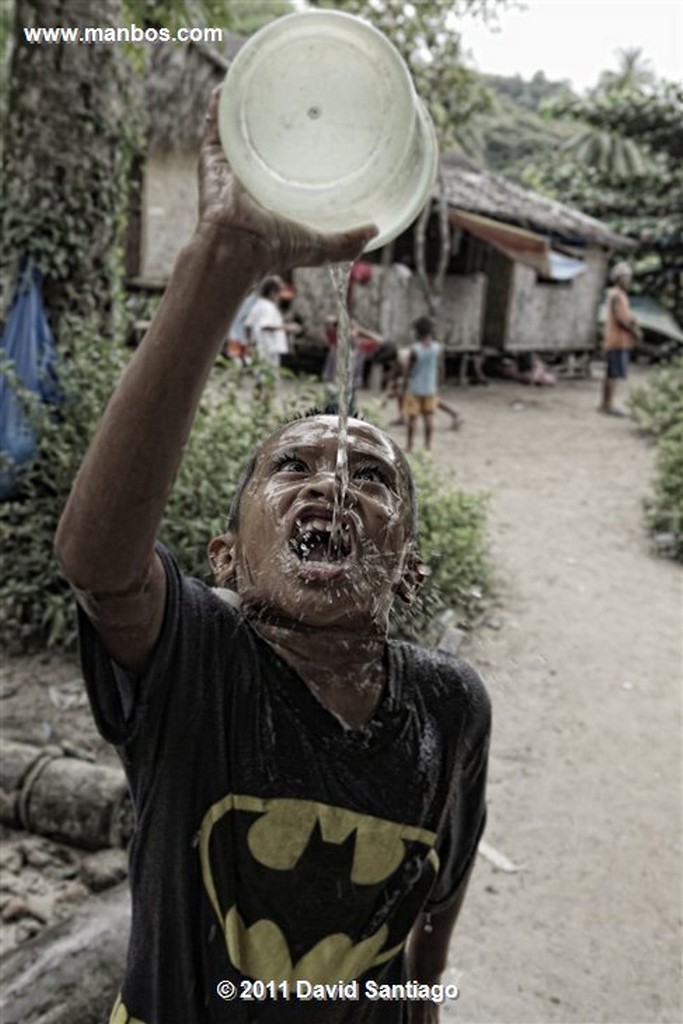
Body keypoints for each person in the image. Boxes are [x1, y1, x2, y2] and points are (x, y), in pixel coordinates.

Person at [54, 91, 490, 1024]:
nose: (330, 484)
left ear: (406, 568)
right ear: (227, 556)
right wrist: (225, 259)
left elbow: (439, 884)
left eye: (372, 478)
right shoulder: (200, 668)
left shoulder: (450, 706)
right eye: (291, 464)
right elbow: (99, 563)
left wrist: (423, 1002)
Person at [403, 318, 460, 452]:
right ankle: (427, 445)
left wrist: (404, 384)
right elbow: (441, 368)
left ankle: (410, 445)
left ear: (417, 332)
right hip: (430, 388)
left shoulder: (414, 349)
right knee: (428, 417)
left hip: (415, 388)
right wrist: (440, 383)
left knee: (412, 418)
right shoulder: (437, 348)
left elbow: (408, 370)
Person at [244, 275, 302, 385]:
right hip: (269, 347)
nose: (279, 296)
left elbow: (248, 325)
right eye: (278, 292)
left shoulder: (259, 304)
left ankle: (260, 398)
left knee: (261, 376)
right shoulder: (268, 307)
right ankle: (264, 399)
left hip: (260, 347)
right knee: (269, 377)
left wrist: (250, 343)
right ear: (272, 292)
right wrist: (288, 327)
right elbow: (265, 325)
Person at [599, 262, 640, 417]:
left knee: (611, 373)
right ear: (618, 279)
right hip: (617, 340)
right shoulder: (617, 295)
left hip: (617, 339)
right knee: (613, 374)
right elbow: (621, 318)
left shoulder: (618, 295)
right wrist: (634, 330)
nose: (628, 280)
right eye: (625, 277)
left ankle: (605, 404)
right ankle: (608, 405)